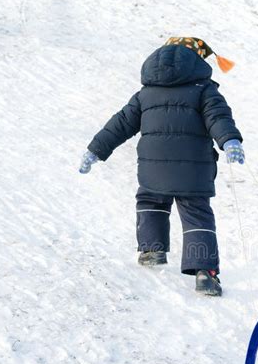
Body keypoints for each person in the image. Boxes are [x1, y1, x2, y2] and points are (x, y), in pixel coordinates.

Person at [79, 37, 244, 296]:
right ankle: (205, 275)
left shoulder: (146, 93)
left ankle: (152, 250)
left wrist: (95, 150)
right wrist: (230, 140)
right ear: (197, 60)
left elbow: (120, 124)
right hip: (193, 170)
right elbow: (218, 117)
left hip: (153, 169)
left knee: (151, 201)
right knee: (196, 215)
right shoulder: (204, 90)